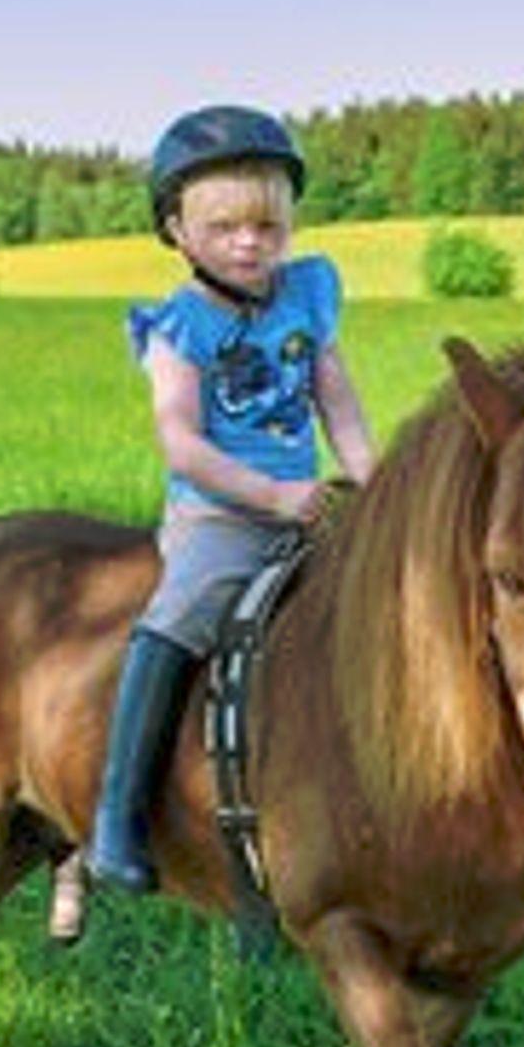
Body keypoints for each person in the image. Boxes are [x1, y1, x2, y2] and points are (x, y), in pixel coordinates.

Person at [84, 103, 376, 895]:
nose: (249, 244)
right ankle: (117, 816)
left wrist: (372, 482)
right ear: (177, 230)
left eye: (267, 227)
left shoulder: (306, 296)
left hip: (307, 504)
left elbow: (337, 400)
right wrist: (272, 494)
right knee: (181, 614)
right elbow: (181, 442)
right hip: (223, 512)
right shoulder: (181, 328)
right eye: (224, 229)